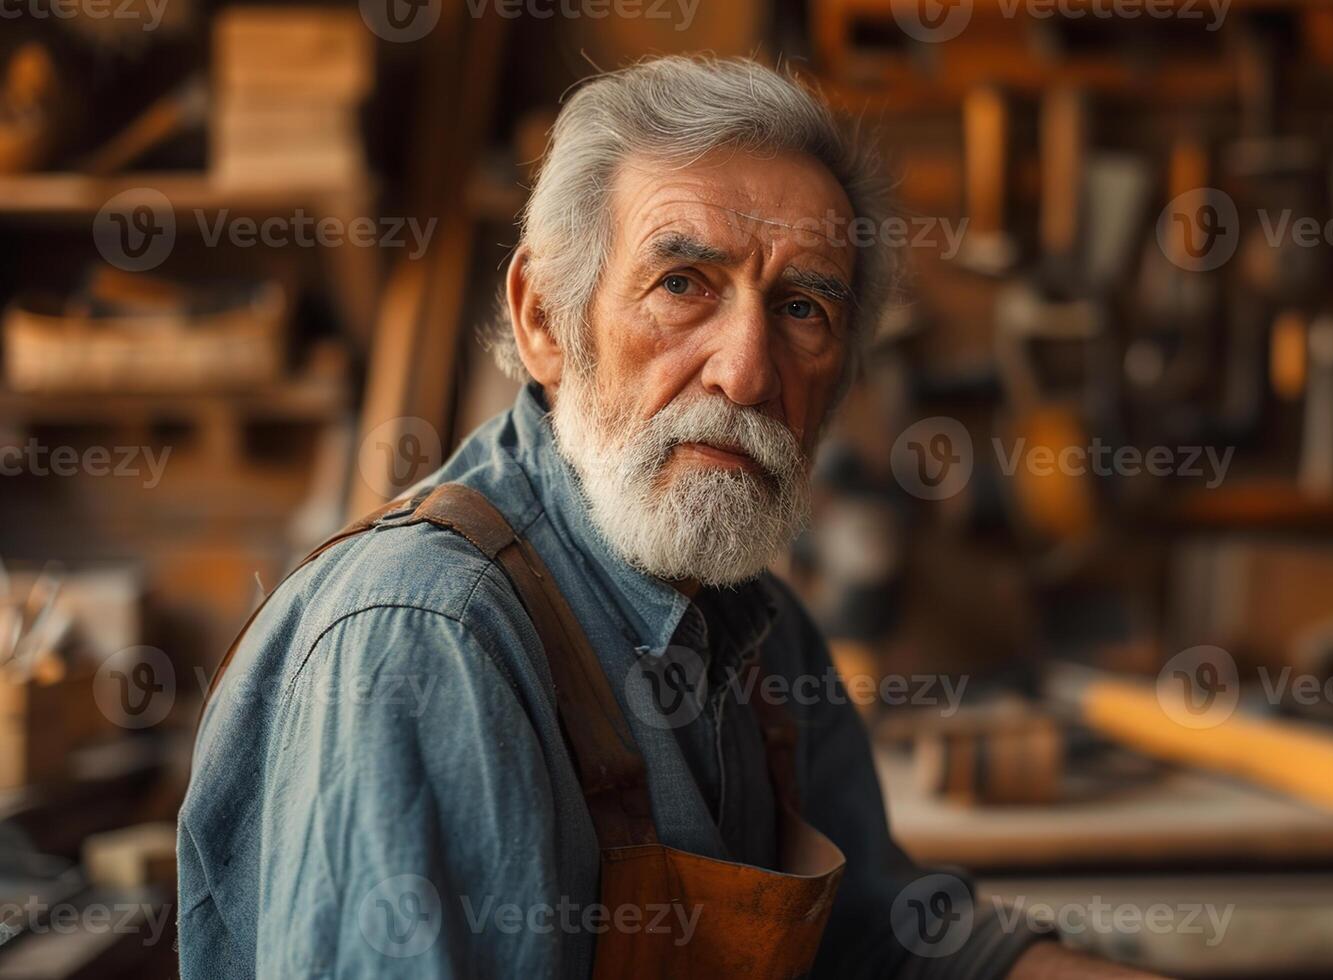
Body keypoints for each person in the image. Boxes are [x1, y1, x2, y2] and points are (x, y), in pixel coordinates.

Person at [179, 55, 1159, 979]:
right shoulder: (426, 643)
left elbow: (892, 946)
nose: (746, 369)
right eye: (682, 283)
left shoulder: (765, 635)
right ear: (545, 320)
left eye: (804, 308)